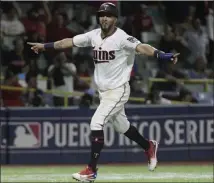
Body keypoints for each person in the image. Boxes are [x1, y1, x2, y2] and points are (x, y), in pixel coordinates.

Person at [28, 2, 179, 182]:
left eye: (108, 15)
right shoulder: (93, 35)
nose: (104, 18)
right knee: (121, 126)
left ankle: (91, 170)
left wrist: (161, 54)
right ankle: (148, 146)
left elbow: (143, 47)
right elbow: (67, 42)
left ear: (115, 18)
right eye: (101, 15)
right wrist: (45, 46)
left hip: (118, 90)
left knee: (96, 122)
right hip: (104, 92)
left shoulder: (123, 38)